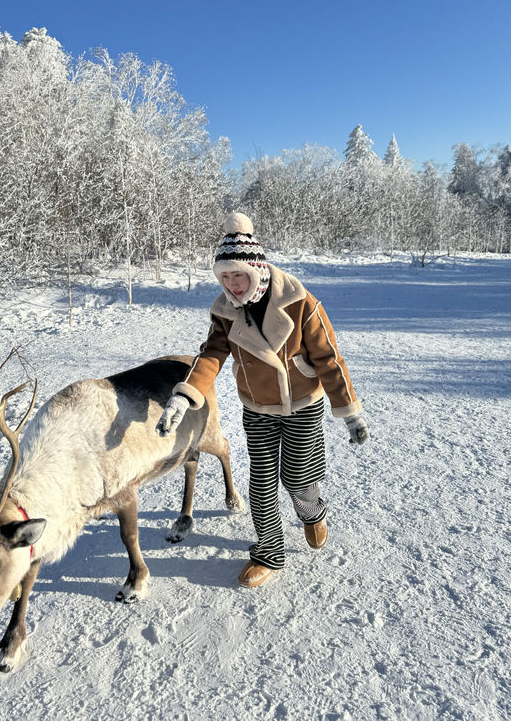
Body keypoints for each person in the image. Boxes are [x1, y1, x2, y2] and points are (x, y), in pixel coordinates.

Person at [156, 212, 369, 588]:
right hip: (257, 408)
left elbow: (328, 358)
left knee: (298, 477)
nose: (232, 285)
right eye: (224, 277)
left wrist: (350, 412)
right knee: (262, 482)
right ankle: (269, 551)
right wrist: (182, 398)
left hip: (302, 402)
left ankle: (312, 511)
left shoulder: (300, 301)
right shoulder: (224, 310)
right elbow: (210, 356)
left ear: (256, 269)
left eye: (238, 275)